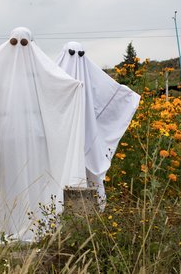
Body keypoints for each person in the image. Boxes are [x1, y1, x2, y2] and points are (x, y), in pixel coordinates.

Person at [0, 27, 86, 241]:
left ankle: (31, 222)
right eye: (15, 43)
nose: (19, 48)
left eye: (23, 43)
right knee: (12, 178)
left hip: (25, 135)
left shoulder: (31, 72)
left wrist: (74, 88)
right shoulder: (33, 71)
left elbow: (60, 89)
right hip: (13, 134)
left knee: (34, 176)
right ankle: (11, 222)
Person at [55, 41, 140, 207]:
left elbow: (111, 94)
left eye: (80, 55)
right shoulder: (62, 78)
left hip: (79, 135)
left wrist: (127, 96)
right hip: (74, 137)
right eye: (72, 54)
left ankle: (78, 212)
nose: (76, 60)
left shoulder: (57, 75)